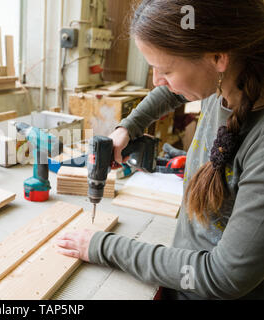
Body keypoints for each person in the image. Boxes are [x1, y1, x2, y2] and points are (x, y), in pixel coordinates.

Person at [56, 0, 264, 300]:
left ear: (218, 56)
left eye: (163, 69)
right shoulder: (221, 80)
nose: (156, 81)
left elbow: (224, 276)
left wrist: (101, 246)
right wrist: (127, 127)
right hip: (181, 273)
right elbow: (170, 90)